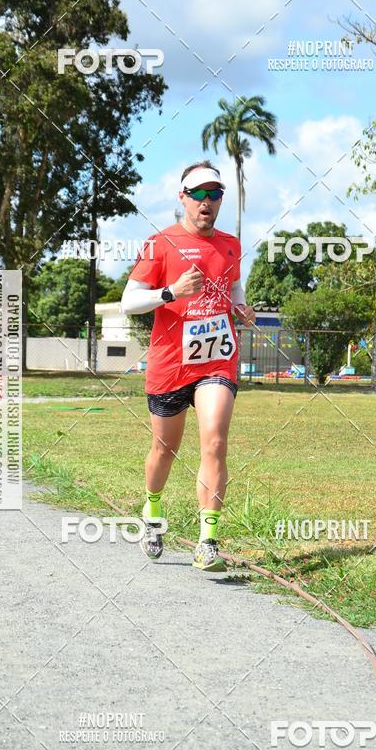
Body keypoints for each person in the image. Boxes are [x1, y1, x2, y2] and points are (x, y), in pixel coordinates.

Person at [121, 161, 254, 572]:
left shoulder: (231, 245)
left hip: (216, 359)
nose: (207, 202)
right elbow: (129, 302)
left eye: (215, 195)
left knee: (214, 440)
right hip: (169, 364)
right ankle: (152, 510)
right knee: (165, 450)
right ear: (182, 198)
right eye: (198, 194)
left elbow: (233, 289)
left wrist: (240, 308)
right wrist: (170, 292)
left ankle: (208, 539)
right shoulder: (159, 244)